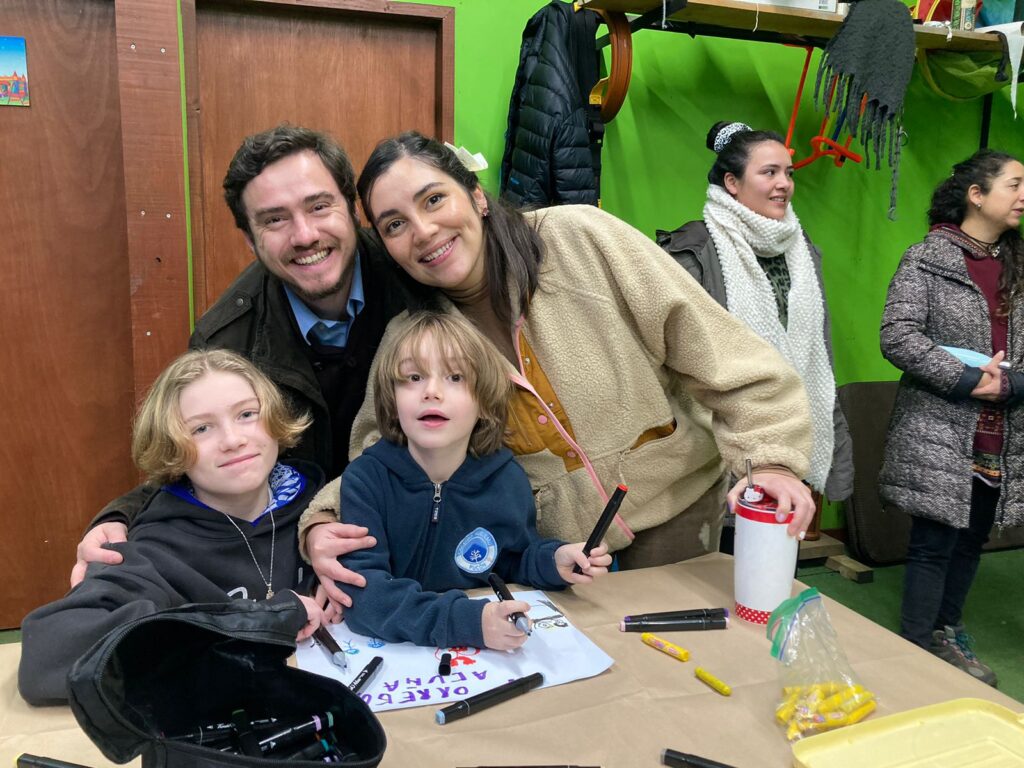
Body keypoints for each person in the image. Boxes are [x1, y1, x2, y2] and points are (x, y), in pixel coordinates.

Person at [303, 130, 816, 603]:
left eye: (434, 199)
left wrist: (771, 460)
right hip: (554, 559)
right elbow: (383, 452)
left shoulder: (581, 238)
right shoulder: (413, 334)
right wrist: (325, 520)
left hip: (677, 514)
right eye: (395, 225)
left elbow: (725, 357)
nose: (423, 230)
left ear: (477, 196)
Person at [71, 125, 401, 594]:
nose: (305, 235)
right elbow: (195, 462)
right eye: (274, 219)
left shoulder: (414, 279)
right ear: (249, 239)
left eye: (318, 206)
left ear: (352, 207)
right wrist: (119, 517)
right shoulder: (226, 339)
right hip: (305, 564)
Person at [19, 350, 325, 705]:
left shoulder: (321, 507)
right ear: (173, 447)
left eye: (246, 414)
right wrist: (257, 621)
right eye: (201, 428)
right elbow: (47, 659)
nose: (232, 440)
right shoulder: (155, 546)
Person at [338, 311, 610, 650]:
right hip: (399, 657)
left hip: (487, 657)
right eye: (413, 377)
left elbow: (511, 560)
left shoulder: (506, 478)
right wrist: (466, 622)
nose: (431, 391)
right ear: (391, 401)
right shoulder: (366, 480)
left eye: (455, 377)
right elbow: (364, 596)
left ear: (484, 403)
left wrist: (552, 562)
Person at [880, 149, 1024, 687]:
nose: (1023, 196)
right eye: (1014, 184)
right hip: (940, 426)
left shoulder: (1019, 265)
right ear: (976, 195)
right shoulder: (928, 258)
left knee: (971, 539)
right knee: (934, 542)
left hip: (1002, 433)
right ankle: (916, 648)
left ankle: (947, 629)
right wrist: (968, 379)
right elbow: (898, 335)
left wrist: (1009, 385)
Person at [657, 121, 853, 504]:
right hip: (715, 448)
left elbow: (820, 353)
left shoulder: (800, 250)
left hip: (794, 431)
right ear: (732, 182)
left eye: (788, 173)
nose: (784, 184)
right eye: (769, 172)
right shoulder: (692, 251)